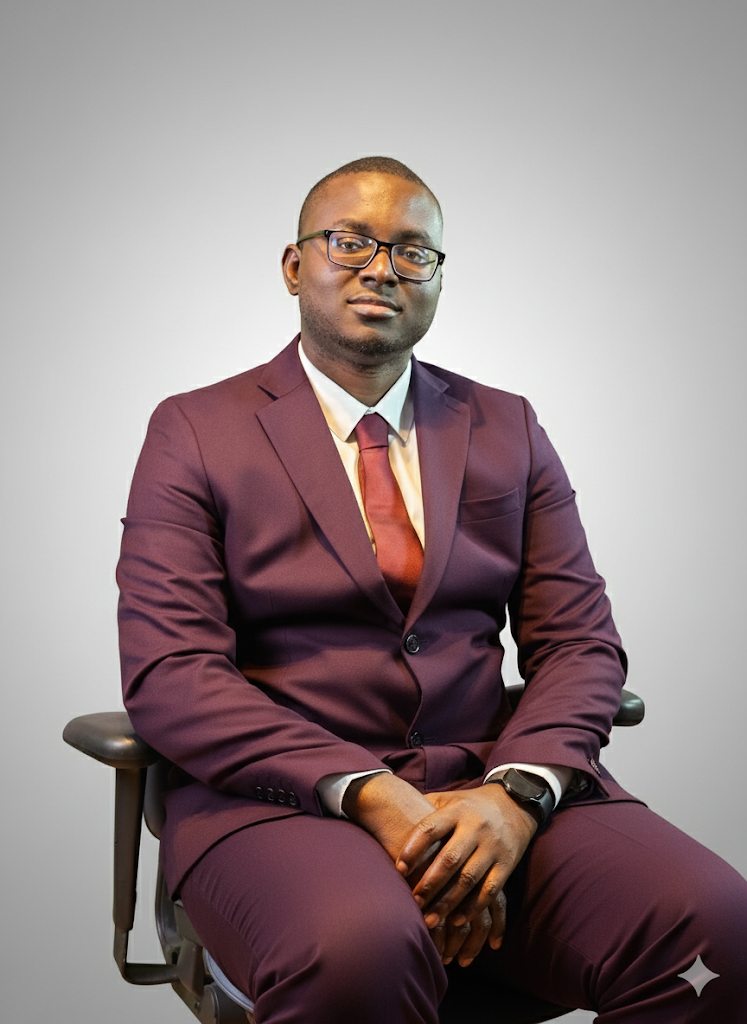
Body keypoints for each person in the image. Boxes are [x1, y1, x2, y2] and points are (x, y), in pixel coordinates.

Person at [117, 156, 747, 1023]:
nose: (382, 268)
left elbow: (578, 642)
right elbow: (171, 674)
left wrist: (517, 793)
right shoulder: (194, 429)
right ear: (294, 266)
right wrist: (370, 791)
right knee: (360, 951)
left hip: (490, 783)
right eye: (350, 242)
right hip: (281, 805)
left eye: (413, 251)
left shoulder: (506, 424)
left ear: (438, 280)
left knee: (720, 929)